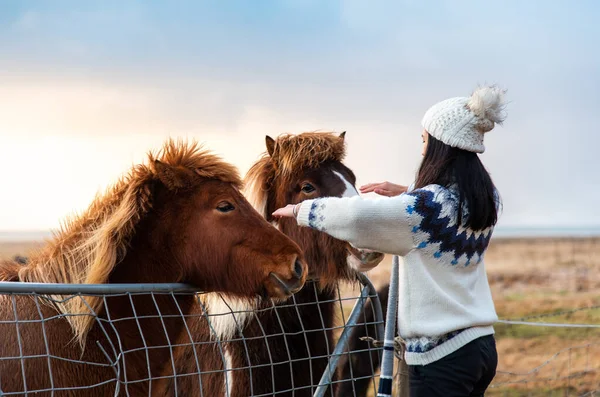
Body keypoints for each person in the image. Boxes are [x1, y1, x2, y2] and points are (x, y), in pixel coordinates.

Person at [273, 85, 506, 397]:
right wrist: (408, 192)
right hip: (479, 344)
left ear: (442, 147)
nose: (422, 149)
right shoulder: (482, 196)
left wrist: (301, 209)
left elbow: (358, 218)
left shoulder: (425, 209)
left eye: (425, 141)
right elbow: (435, 213)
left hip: (441, 355)